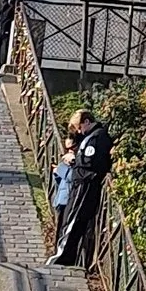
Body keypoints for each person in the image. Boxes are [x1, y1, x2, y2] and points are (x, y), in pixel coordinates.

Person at [52, 109, 112, 266]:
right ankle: (65, 257)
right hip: (81, 183)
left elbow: (89, 163)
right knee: (71, 220)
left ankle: (62, 257)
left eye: (79, 127)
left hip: (85, 184)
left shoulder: (97, 137)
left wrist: (73, 160)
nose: (79, 131)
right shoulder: (90, 136)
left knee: (73, 220)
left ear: (87, 122)